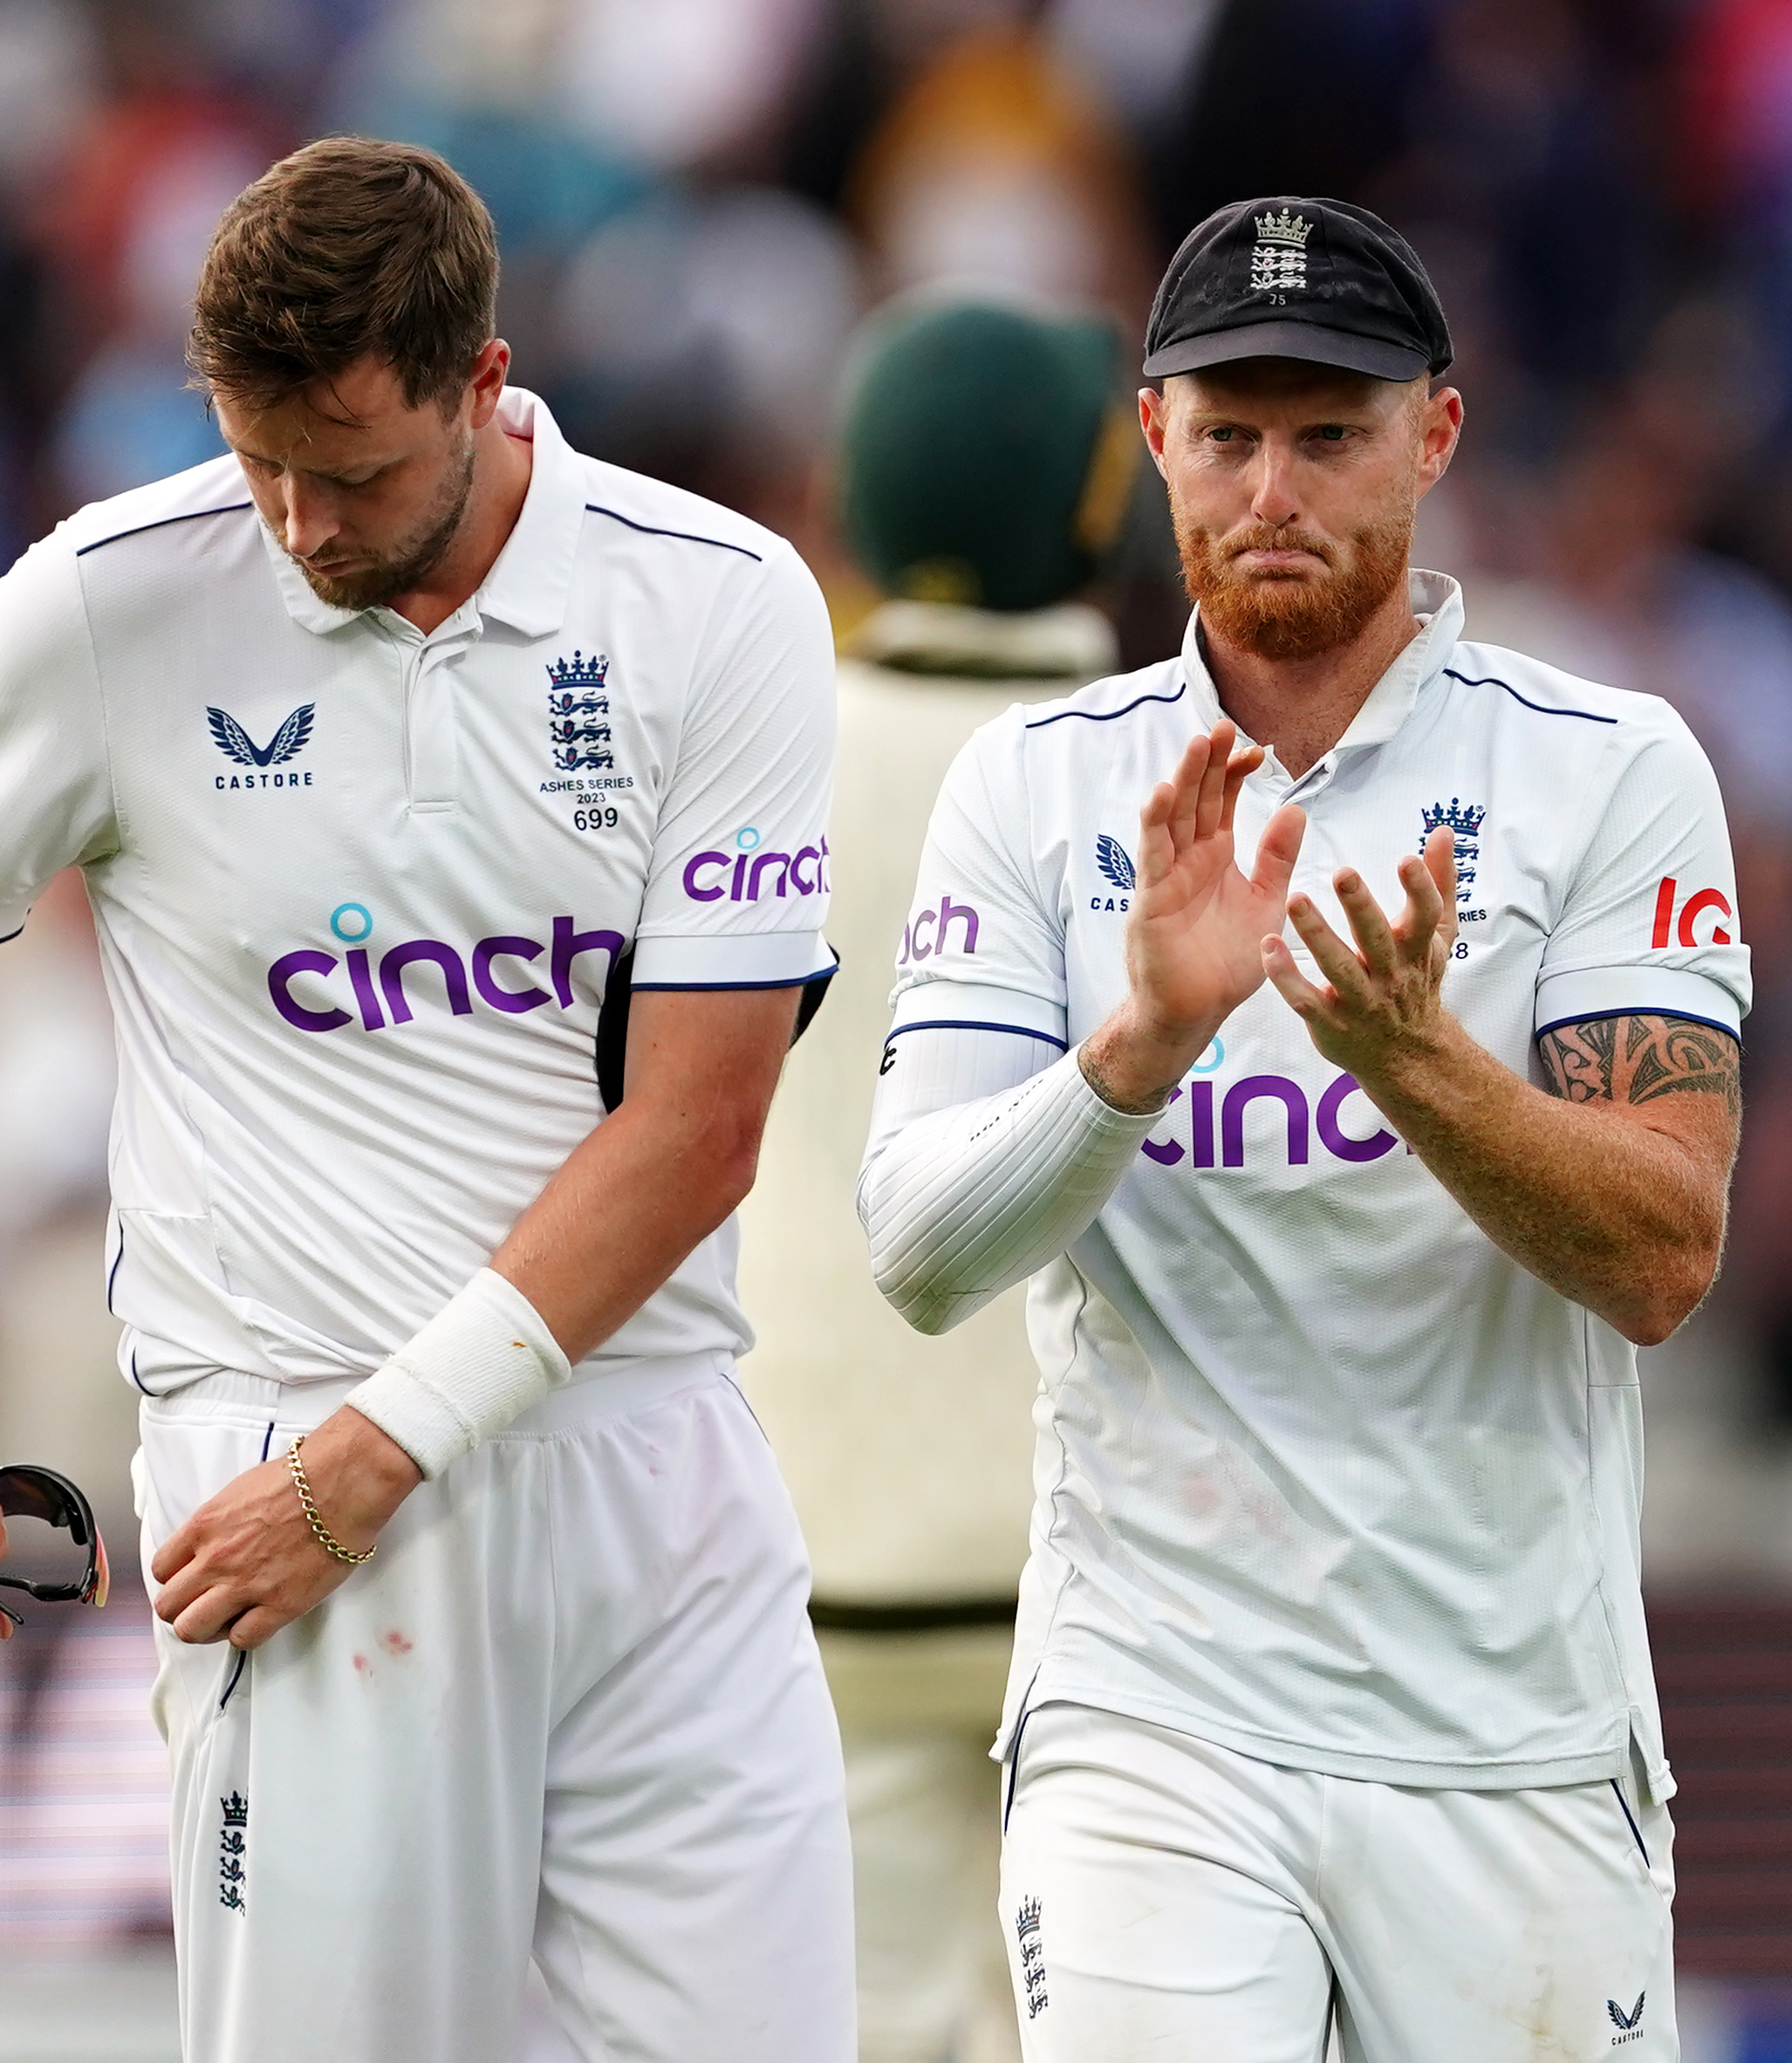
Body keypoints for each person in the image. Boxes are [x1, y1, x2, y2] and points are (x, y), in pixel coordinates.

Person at [0, 138, 852, 2063]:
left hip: (637, 1463)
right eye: (258, 458)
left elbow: (702, 1129)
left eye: (353, 470)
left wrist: (378, 1458)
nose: (295, 519)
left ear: (482, 381)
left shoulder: (721, 604)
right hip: (272, 1456)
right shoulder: (112, 598)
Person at [858, 195, 1749, 2061]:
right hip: (1150, 1709)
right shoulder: (1033, 783)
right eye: (1232, 431)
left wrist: (1414, 1061)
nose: (1275, 485)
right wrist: (1145, 1040)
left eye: (1330, 433)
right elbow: (921, 1253)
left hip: (1510, 1729)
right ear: (1153, 438)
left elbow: (1663, 1255)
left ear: (1435, 434)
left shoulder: (1608, 768)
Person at [735, 291, 1139, 2063]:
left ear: (844, 497)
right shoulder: (1182, 765)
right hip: (1123, 1564)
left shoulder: (735, 758)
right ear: (1101, 506)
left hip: (809, 1544)